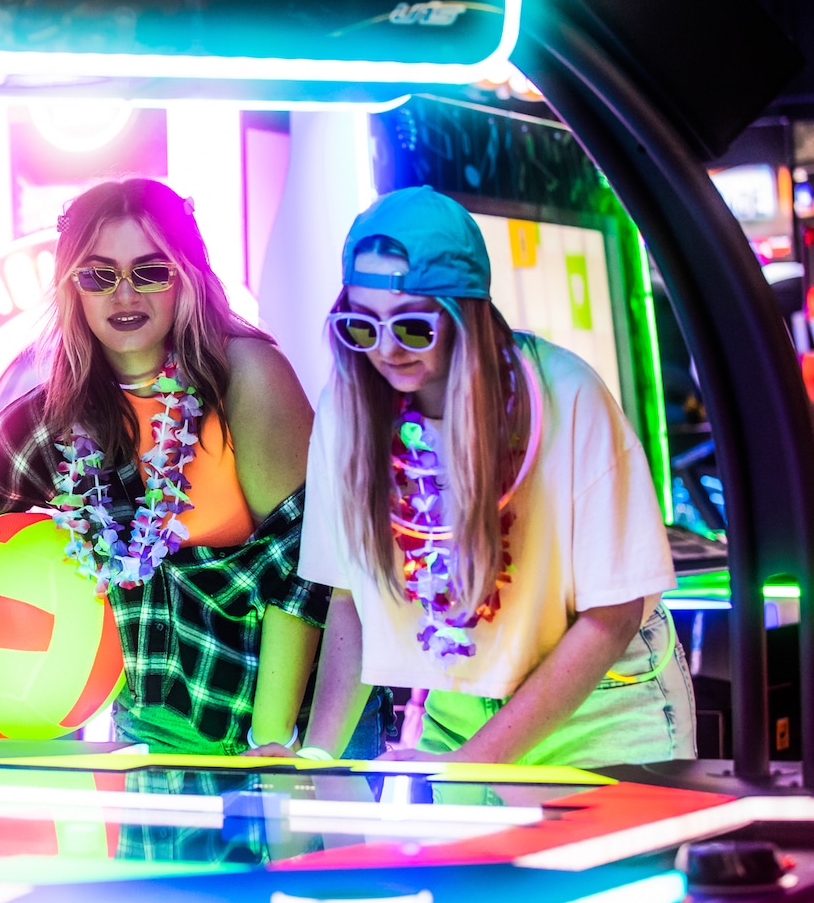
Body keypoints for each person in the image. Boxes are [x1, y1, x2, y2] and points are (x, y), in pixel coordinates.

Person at [0, 178, 389, 756]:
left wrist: (274, 744)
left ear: (188, 277)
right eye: (99, 276)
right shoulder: (58, 415)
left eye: (150, 272)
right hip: (158, 726)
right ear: (73, 288)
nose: (125, 296)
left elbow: (304, 570)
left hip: (297, 725)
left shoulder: (245, 374)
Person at [268, 186, 694, 767]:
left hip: (600, 707)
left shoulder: (566, 395)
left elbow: (613, 614)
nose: (387, 351)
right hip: (454, 709)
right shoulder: (348, 412)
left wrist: (472, 767)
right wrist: (315, 754)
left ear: (466, 314)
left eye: (413, 327)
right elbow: (352, 596)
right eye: (362, 327)